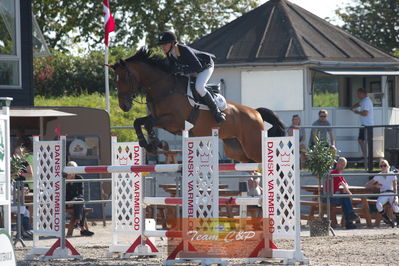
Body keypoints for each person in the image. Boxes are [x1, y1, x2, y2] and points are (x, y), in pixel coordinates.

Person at [157, 30, 226, 124]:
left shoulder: (183, 50)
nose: (162, 47)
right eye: (161, 45)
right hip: (192, 69)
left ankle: (217, 112)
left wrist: (181, 70)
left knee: (199, 87)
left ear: (173, 43)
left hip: (205, 66)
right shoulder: (170, 53)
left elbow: (198, 67)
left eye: (165, 44)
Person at [325, 157, 359, 229]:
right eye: (340, 163)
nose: (342, 166)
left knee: (345, 199)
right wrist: (350, 194)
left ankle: (349, 221)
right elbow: (343, 184)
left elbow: (345, 184)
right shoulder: (334, 173)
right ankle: (350, 219)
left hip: (334, 196)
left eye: (343, 165)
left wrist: (347, 191)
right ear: (337, 163)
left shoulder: (339, 173)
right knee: (346, 197)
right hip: (329, 197)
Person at [365, 159, 399, 228]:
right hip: (383, 194)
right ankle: (386, 219)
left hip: (392, 193)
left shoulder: (392, 174)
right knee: (378, 205)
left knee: (395, 206)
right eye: (381, 166)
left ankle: (397, 219)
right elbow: (367, 184)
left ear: (388, 166)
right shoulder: (378, 175)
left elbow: (395, 187)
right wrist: (375, 185)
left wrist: (395, 197)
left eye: (384, 165)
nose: (383, 167)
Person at [65, 161, 94, 236]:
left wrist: (74, 200)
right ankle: (81, 228)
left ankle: (78, 223)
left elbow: (81, 194)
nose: (72, 172)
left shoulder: (79, 178)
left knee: (80, 202)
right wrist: (67, 182)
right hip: (65, 202)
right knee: (81, 205)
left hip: (76, 202)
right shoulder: (64, 179)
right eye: (70, 169)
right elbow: (61, 193)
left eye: (74, 169)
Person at [350, 88, 374, 162]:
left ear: (362, 93)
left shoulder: (367, 101)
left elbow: (365, 113)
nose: (357, 95)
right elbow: (358, 104)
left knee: (362, 140)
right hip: (364, 124)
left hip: (367, 125)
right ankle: (366, 156)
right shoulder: (364, 100)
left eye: (358, 94)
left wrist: (356, 112)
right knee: (361, 140)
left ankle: (367, 157)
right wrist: (352, 107)